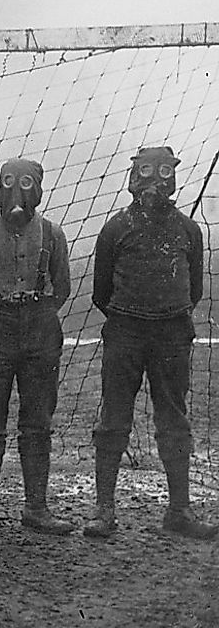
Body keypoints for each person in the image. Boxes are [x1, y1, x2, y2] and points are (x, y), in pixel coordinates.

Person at [84, 146, 215, 540]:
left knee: (174, 419)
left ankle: (179, 510)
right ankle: (104, 510)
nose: (154, 182)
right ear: (133, 177)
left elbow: (193, 290)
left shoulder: (188, 230)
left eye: (162, 172)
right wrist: (131, 318)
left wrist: (164, 319)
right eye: (146, 172)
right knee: (114, 419)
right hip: (125, 332)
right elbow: (100, 291)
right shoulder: (115, 228)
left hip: (172, 334)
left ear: (173, 177)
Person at [0, 158, 75, 535]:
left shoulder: (54, 235)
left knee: (38, 421)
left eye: (25, 184)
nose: (16, 194)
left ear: (38, 189)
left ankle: (36, 508)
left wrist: (36, 313)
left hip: (40, 328)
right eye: (9, 183)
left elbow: (63, 288)